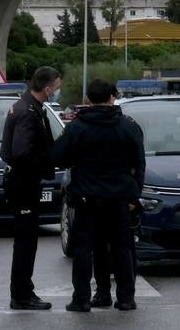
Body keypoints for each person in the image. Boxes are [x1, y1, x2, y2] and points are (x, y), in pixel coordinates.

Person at [52, 78, 145, 312]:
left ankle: (83, 298)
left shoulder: (76, 128)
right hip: (120, 198)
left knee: (85, 248)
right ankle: (125, 298)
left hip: (86, 198)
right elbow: (139, 164)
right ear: (112, 97)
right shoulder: (128, 126)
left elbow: (58, 158)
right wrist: (135, 196)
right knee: (122, 247)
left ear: (88, 100)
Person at [0, 66, 63, 310]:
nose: (57, 91)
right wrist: (48, 160)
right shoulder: (27, 112)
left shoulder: (27, 106)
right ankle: (21, 295)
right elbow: (21, 153)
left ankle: (25, 290)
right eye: (56, 87)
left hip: (23, 181)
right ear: (47, 88)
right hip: (23, 183)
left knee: (27, 240)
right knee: (26, 241)